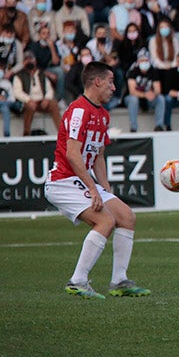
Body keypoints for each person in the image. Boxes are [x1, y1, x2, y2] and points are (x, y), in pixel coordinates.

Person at [43, 61, 150, 299]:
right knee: (105, 221)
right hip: (62, 181)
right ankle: (78, 281)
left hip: (82, 180)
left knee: (126, 216)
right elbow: (72, 154)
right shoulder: (79, 110)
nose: (114, 88)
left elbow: (99, 155)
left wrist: (105, 190)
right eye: (110, 82)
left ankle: (119, 281)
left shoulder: (102, 114)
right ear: (97, 81)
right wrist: (93, 189)